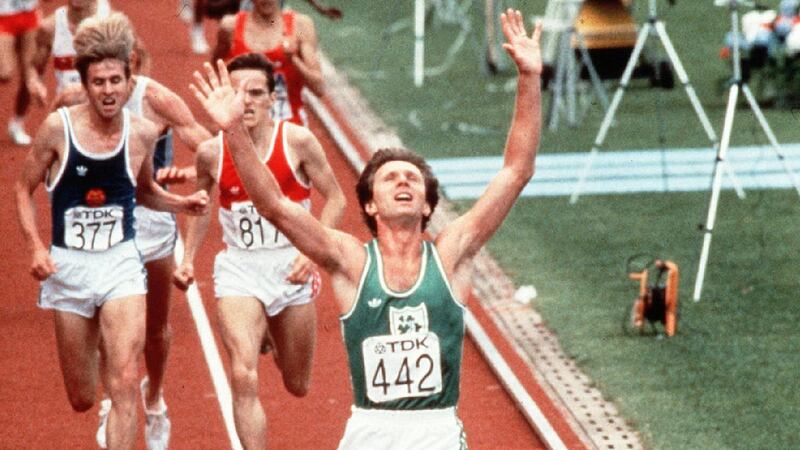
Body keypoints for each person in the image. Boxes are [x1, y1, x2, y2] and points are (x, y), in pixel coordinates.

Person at [190, 8, 542, 449]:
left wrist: (529, 78)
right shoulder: (353, 261)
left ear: (427, 204)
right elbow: (275, 207)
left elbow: (515, 171)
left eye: (412, 178)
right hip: (370, 430)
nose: (403, 182)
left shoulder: (451, 254)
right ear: (371, 204)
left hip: (436, 430)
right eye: (390, 177)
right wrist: (235, 133)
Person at [14, 12, 208, 450]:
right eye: (98, 82)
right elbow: (22, 188)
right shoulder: (58, 128)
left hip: (121, 263)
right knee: (83, 397)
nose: (108, 91)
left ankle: (132, 406)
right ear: (84, 83)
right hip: (69, 267)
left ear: (129, 79)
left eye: (115, 81)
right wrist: (35, 248)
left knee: (123, 381)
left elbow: (144, 192)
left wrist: (182, 203)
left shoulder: (141, 133)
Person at [174, 52, 346, 449]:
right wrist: (187, 259)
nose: (245, 101)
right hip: (240, 268)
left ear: (272, 98)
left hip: (291, 266)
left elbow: (336, 198)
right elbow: (202, 205)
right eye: (236, 92)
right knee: (243, 374)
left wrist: (313, 250)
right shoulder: (211, 152)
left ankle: (269, 331)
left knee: (297, 383)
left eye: (254, 92)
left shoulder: (297, 142)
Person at [213, 0, 324, 127]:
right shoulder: (231, 26)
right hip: (243, 126)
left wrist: (293, 59)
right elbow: (217, 67)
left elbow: (319, 88)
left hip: (289, 126)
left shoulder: (300, 26)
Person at [0, 0, 40, 145]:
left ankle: (17, 124)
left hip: (29, 16)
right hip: (3, 17)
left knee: (29, 75)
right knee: (5, 73)